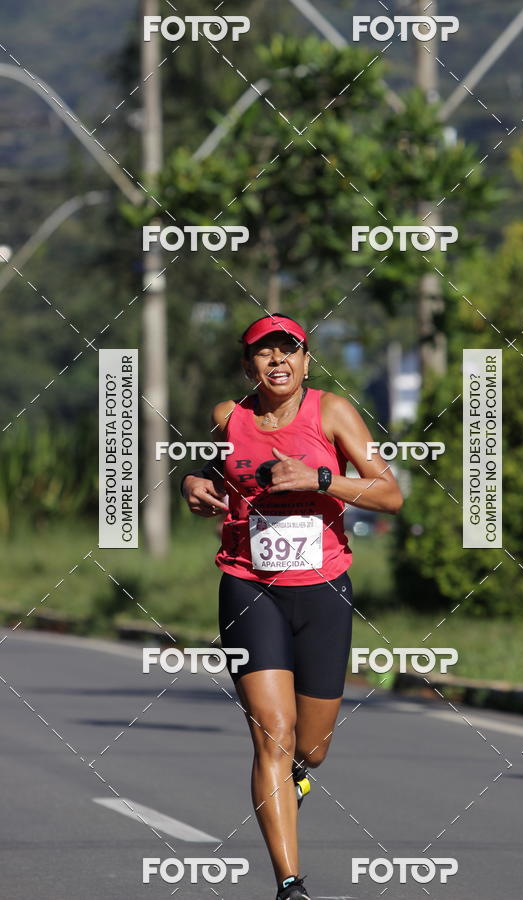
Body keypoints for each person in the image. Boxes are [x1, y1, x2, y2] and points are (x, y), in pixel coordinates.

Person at [181, 314, 403, 900]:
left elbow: (390, 493)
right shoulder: (228, 417)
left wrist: (323, 477)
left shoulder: (333, 413)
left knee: (311, 747)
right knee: (273, 736)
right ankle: (291, 885)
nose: (277, 361)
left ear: (306, 360)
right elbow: (218, 472)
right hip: (248, 585)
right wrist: (193, 484)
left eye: (289, 351)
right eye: (264, 353)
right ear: (247, 364)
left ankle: (295, 779)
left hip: (323, 589)